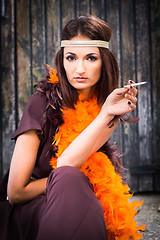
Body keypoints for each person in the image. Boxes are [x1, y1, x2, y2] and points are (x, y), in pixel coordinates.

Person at [0, 15, 145, 240]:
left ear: (105, 62)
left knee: (77, 186)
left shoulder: (103, 107)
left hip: (77, 203)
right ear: (62, 61)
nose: (79, 69)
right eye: (71, 57)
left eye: (90, 58)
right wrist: (62, 182)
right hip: (31, 211)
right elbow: (16, 193)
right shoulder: (41, 103)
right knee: (69, 178)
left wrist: (107, 114)